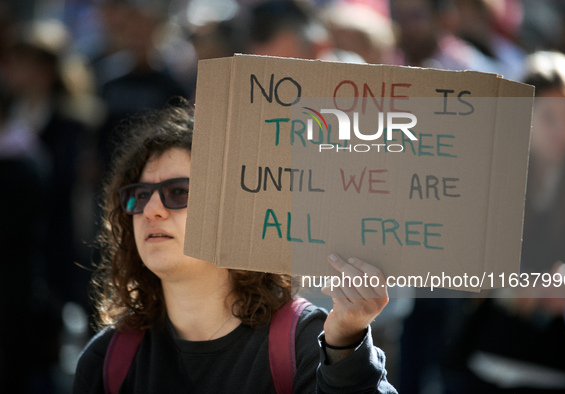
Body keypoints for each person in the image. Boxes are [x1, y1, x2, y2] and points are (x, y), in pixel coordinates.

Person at [74, 100, 396, 393]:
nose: (150, 210)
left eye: (179, 192)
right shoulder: (109, 357)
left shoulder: (306, 342)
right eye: (140, 195)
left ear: (235, 212)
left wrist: (345, 347)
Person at [441, 51, 565, 393]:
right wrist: (509, 288)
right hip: (487, 363)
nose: (561, 130)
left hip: (564, 368)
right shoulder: (487, 185)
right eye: (548, 117)